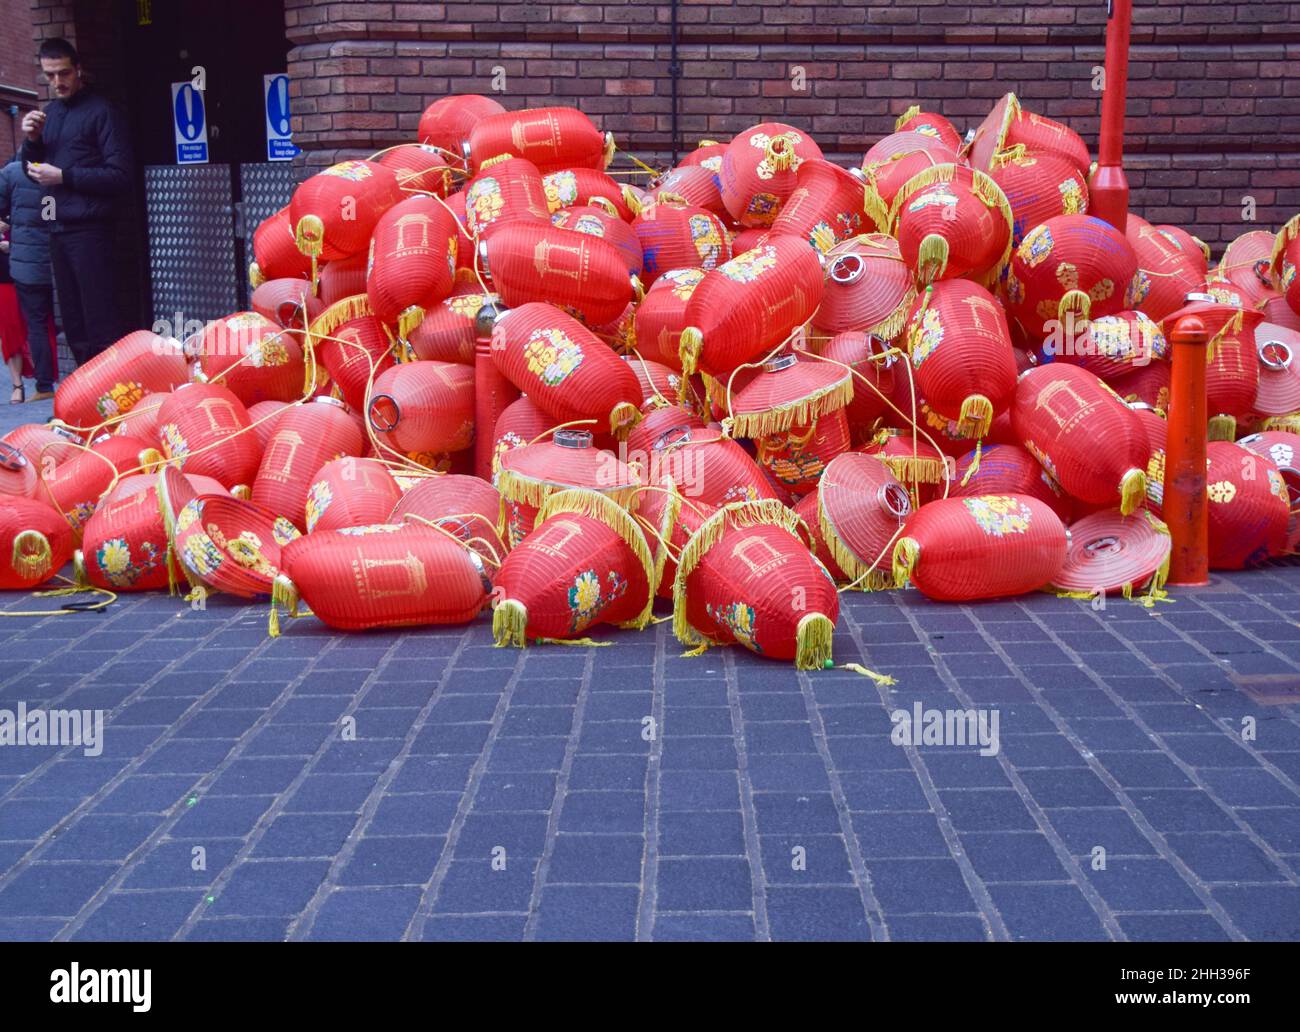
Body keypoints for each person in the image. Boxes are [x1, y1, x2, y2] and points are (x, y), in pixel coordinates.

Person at [20, 37, 132, 366]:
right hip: (58, 230)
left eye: (64, 73)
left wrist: (64, 176)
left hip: (92, 231)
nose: (57, 82)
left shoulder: (102, 111)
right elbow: (33, 175)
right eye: (50, 75)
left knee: (101, 325)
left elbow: (120, 176)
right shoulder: (49, 114)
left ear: (78, 69)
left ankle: (113, 401)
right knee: (73, 327)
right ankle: (85, 406)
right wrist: (31, 143)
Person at [0, 159, 60, 400]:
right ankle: (38, 382)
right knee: (42, 325)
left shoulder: (13, 174)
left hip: (24, 264)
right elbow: (52, 216)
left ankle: (44, 384)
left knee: (36, 324)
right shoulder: (51, 176)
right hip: (47, 259)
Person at [0, 229, 36, 403]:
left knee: (18, 330)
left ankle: (26, 384)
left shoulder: (14, 206)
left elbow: (35, 231)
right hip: (5, 276)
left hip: (17, 274)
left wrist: (12, 246)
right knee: (9, 331)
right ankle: (17, 385)